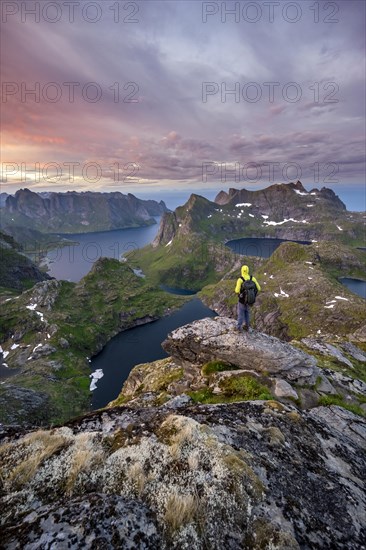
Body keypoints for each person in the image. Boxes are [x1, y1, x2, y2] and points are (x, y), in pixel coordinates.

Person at [234, 265, 261, 332]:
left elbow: (237, 291)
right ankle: (247, 326)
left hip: (242, 300)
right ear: (248, 270)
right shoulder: (252, 278)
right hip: (249, 300)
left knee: (240, 313)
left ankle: (238, 328)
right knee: (247, 313)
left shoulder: (240, 280)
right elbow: (259, 288)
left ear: (241, 271)